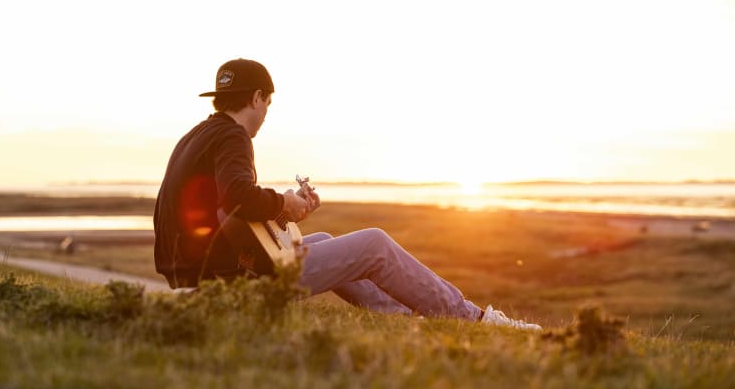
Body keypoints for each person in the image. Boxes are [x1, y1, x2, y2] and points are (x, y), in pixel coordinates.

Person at [153, 58, 541, 331]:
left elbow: (229, 216)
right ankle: (473, 318)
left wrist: (287, 210)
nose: (266, 113)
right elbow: (237, 196)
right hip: (231, 286)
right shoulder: (234, 137)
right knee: (375, 244)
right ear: (256, 97)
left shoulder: (197, 136)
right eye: (267, 103)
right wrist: (284, 202)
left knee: (322, 239)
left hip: (206, 277)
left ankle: (406, 318)